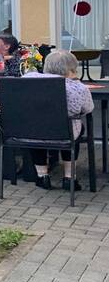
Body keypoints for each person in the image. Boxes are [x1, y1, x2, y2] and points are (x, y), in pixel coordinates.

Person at [22, 50, 93, 191]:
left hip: (32, 131)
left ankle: (42, 176)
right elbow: (88, 108)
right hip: (64, 133)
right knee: (74, 126)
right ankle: (69, 177)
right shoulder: (77, 87)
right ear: (71, 68)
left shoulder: (28, 79)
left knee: (38, 128)